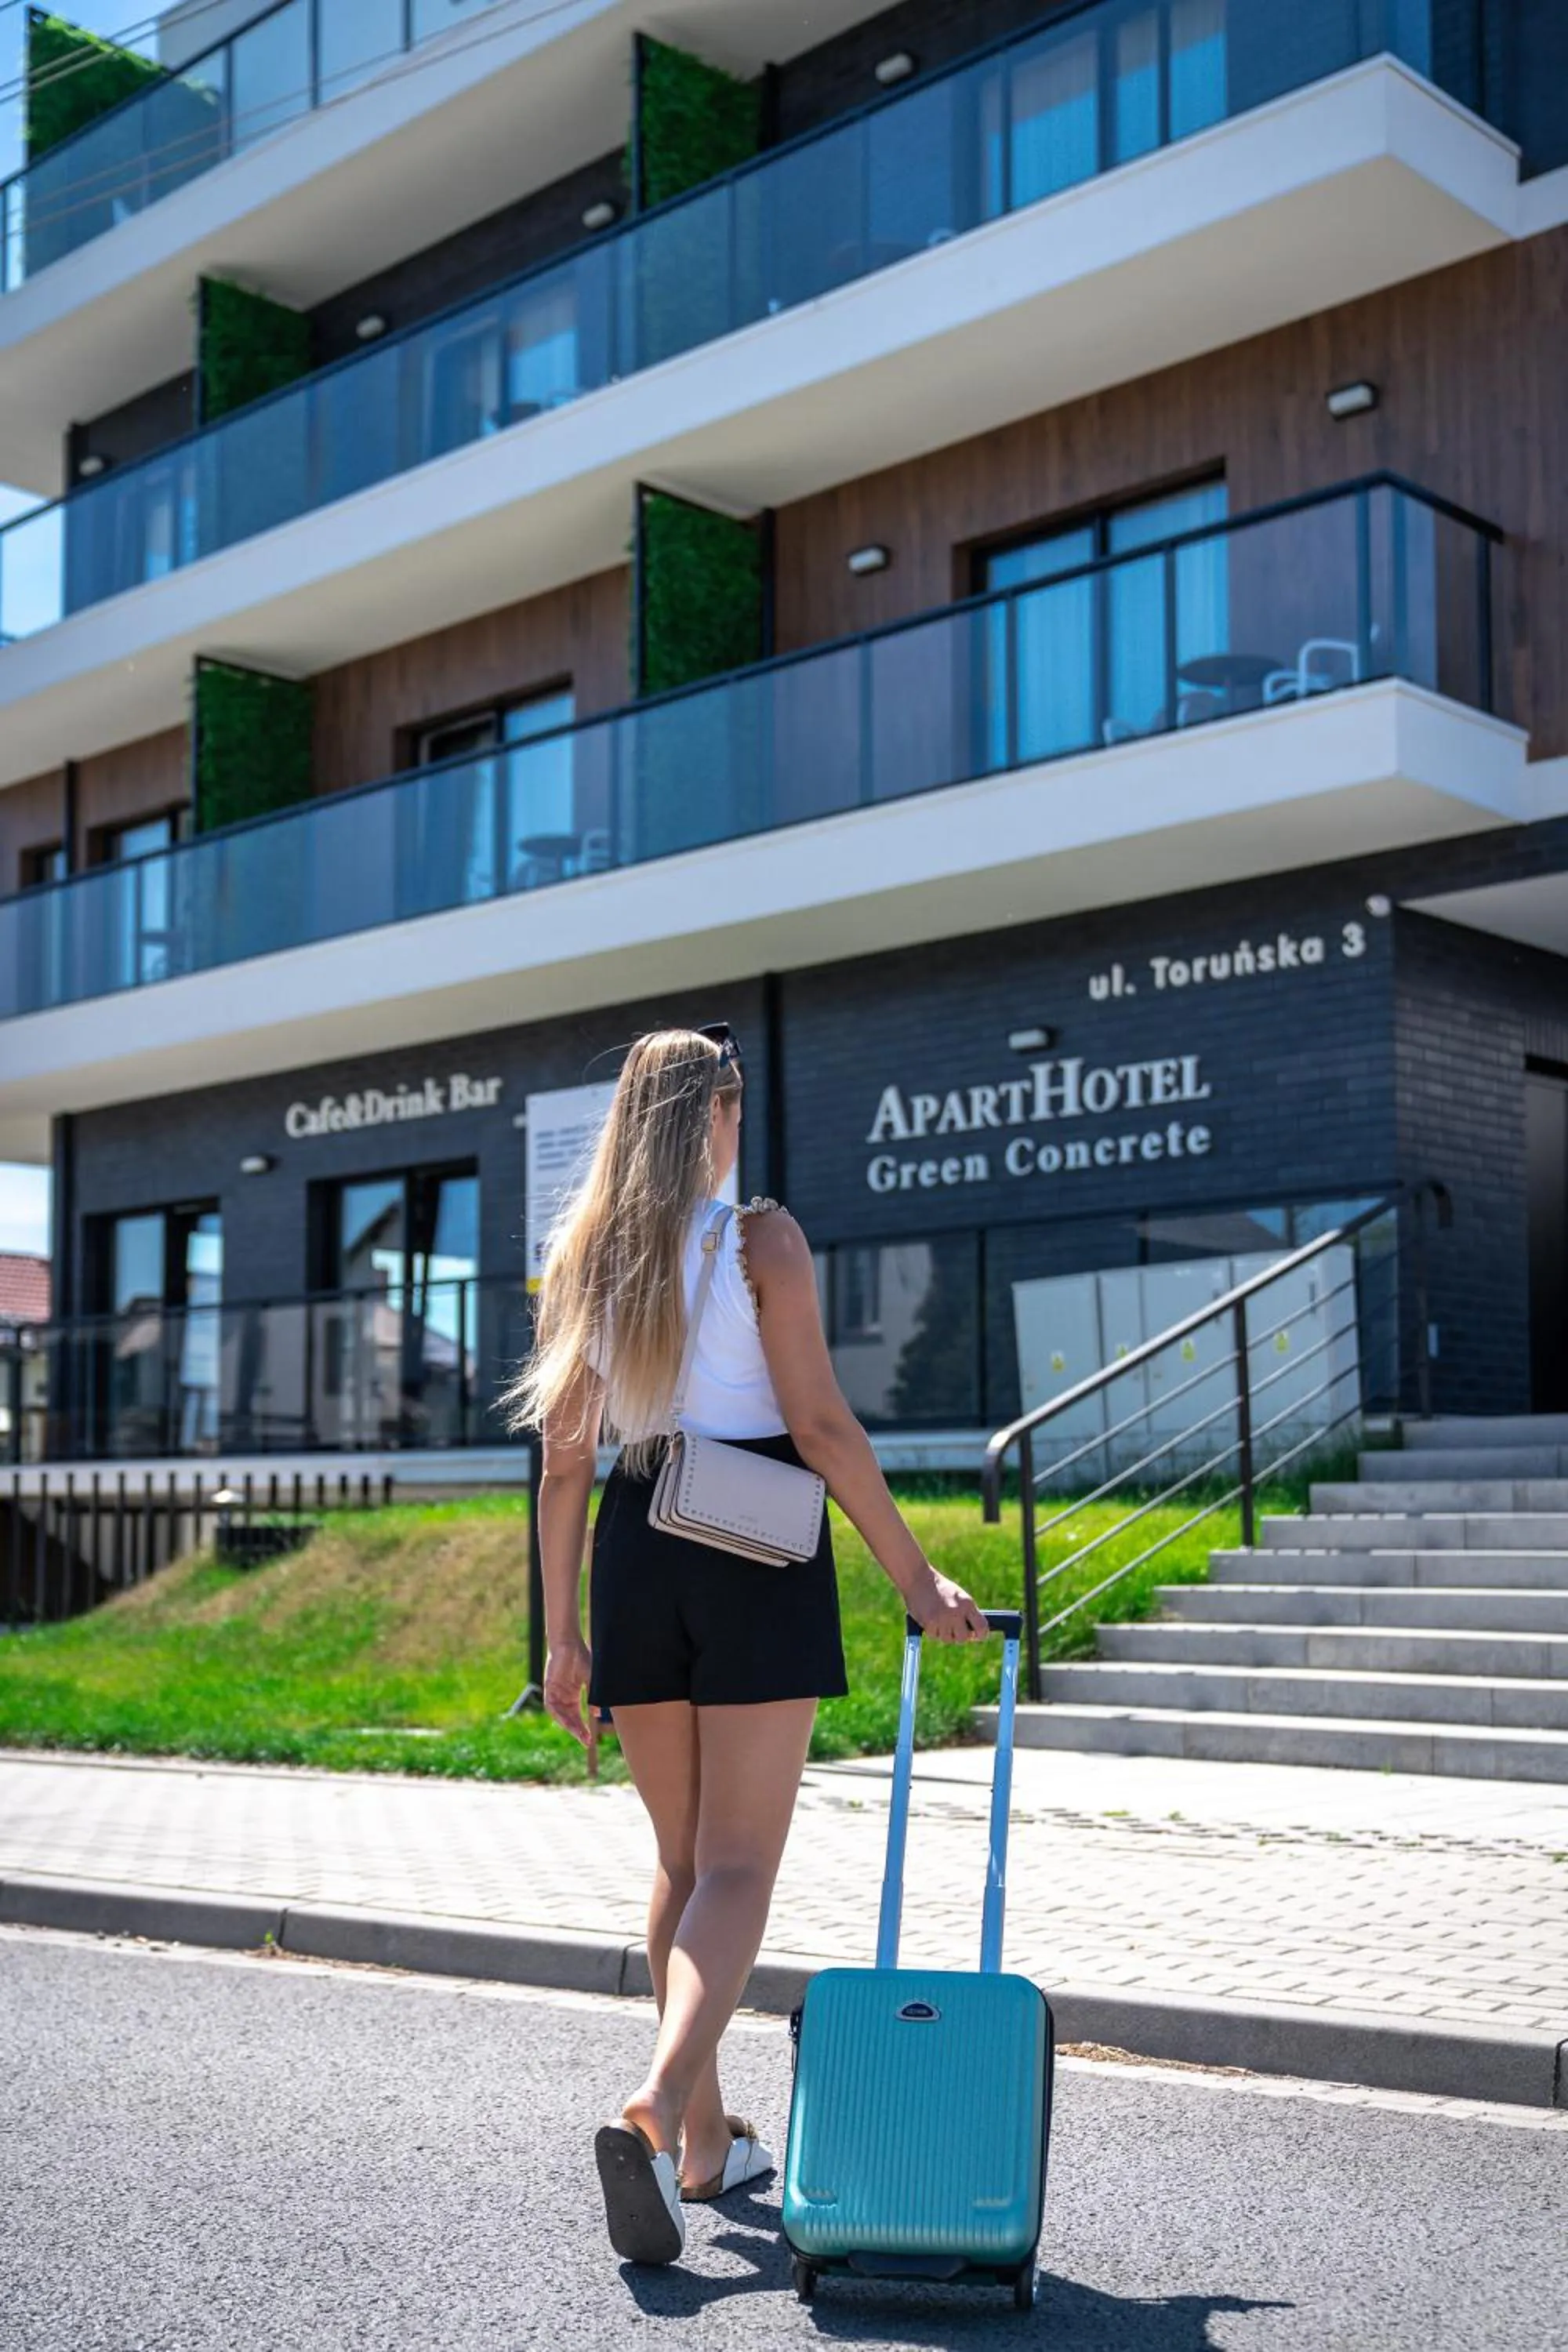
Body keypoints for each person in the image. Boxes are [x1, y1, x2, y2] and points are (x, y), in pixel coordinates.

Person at [509, 1025, 989, 2267]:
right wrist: (917, 1574)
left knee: (680, 1861)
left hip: (639, 1540)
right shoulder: (758, 1238)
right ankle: (660, 2103)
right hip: (757, 1543)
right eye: (733, 1098)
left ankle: (712, 2147)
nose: (739, 1116)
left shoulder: (586, 1253)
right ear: (714, 1111)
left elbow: (565, 1463)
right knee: (738, 1866)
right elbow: (822, 1429)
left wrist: (558, 1636)